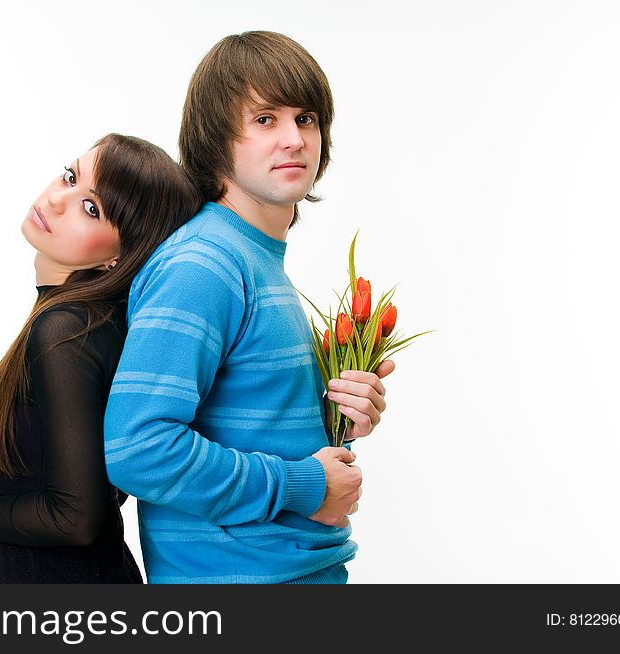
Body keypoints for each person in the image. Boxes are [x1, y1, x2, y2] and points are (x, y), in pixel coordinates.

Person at [103, 31, 395, 584]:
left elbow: (257, 426)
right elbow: (138, 448)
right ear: (216, 140)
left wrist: (341, 414)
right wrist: (305, 486)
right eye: (265, 120)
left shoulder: (253, 259)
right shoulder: (205, 265)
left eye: (306, 119)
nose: (294, 139)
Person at [0, 133, 202, 583]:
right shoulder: (88, 320)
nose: (59, 199)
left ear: (121, 256)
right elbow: (81, 448)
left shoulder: (65, 329)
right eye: (71, 176)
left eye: (92, 208)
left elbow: (74, 516)